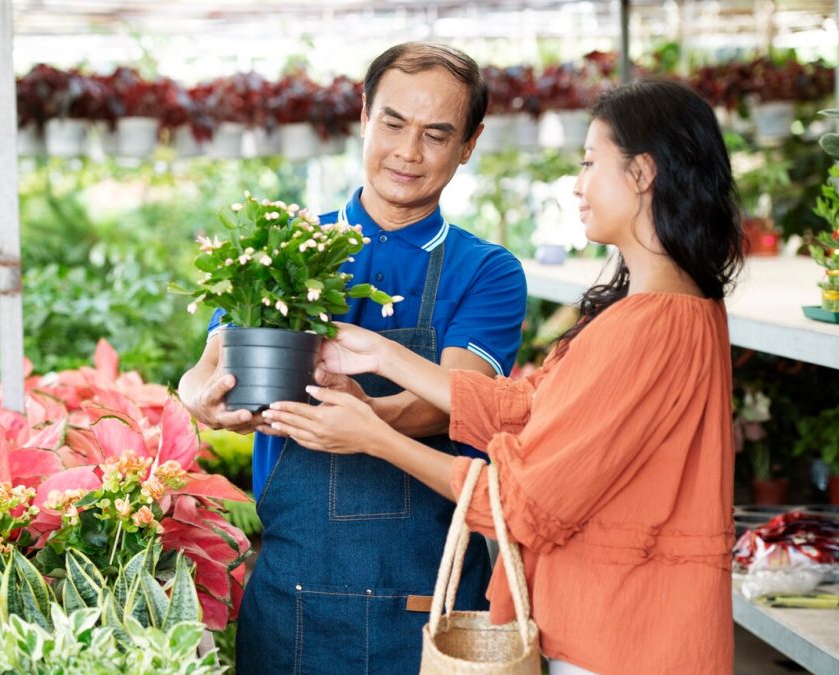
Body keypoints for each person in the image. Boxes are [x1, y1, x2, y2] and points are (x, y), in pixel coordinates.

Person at [263, 78, 744, 675]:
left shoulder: (648, 324)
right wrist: (381, 355)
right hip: (624, 627)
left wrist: (375, 438)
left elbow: (523, 505)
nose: (578, 183)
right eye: (392, 124)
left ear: (643, 173)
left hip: (621, 637)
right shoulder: (675, 309)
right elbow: (530, 405)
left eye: (591, 162)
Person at [178, 42, 527, 673]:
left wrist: (370, 421)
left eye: (436, 134)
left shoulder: (487, 270)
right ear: (364, 115)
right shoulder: (286, 247)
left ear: (469, 143)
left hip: (430, 607)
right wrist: (198, 397)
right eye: (393, 123)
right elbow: (212, 363)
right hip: (292, 602)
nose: (408, 152)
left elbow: (459, 401)